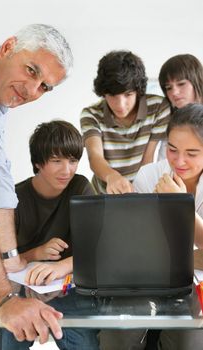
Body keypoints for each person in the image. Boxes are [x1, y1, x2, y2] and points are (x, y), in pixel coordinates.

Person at [0, 23, 73, 343]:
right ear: (7, 47)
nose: (31, 91)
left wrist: (11, 258)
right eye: (31, 71)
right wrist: (3, 301)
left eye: (44, 86)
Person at [1, 120, 99, 350]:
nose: (67, 170)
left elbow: (99, 248)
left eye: (73, 160)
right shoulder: (13, 199)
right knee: (7, 339)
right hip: (19, 291)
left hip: (69, 289)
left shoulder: (80, 187)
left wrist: (61, 266)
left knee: (84, 344)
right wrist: (37, 253)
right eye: (56, 161)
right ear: (38, 162)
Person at [133, 103, 203, 349]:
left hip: (197, 287)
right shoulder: (147, 175)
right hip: (149, 279)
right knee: (118, 336)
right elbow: (140, 248)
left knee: (189, 340)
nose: (179, 161)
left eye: (192, 153)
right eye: (172, 149)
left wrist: (180, 206)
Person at [80, 50, 171, 194]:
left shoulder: (158, 107)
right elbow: (95, 156)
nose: (120, 105)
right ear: (103, 92)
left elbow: (148, 159)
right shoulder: (91, 114)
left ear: (138, 90)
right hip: (103, 195)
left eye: (128, 95)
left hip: (139, 191)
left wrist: (137, 194)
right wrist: (112, 177)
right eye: (112, 95)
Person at [157, 53, 203, 159]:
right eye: (168, 88)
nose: (174, 92)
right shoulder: (166, 118)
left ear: (197, 81)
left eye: (181, 84)